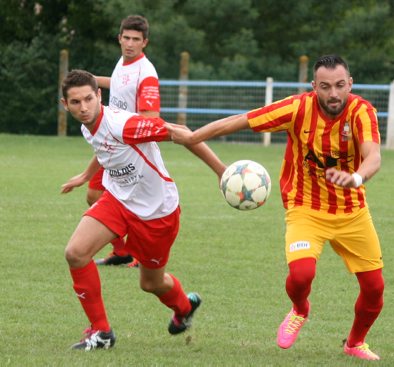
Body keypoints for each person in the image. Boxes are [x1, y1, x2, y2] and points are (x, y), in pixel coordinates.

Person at [169, 55, 384, 361]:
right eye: (325, 86)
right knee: (301, 275)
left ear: (350, 83)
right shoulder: (297, 107)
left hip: (352, 212)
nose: (333, 93)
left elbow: (373, 155)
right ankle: (299, 309)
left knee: (375, 289)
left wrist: (356, 177)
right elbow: (240, 120)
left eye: (339, 85)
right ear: (314, 87)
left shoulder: (362, 111)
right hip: (305, 208)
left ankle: (354, 342)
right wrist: (194, 136)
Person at [60, 69, 226, 350]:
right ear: (65, 105)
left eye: (89, 99)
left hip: (156, 211)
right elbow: (104, 149)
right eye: (75, 102)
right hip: (118, 200)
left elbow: (182, 133)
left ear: (100, 95)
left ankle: (185, 307)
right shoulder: (88, 124)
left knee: (151, 283)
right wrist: (85, 176)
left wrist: (222, 172)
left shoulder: (124, 124)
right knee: (75, 254)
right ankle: (102, 333)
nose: (83, 107)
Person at [89, 14, 161, 267]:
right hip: (113, 141)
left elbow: (151, 119)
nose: (130, 43)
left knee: (137, 205)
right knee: (94, 193)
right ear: (119, 39)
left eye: (136, 39)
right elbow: (120, 86)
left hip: (132, 149)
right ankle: (122, 252)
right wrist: (92, 81)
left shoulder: (146, 73)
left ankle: (142, 254)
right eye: (126, 38)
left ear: (145, 43)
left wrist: (127, 132)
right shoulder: (122, 62)